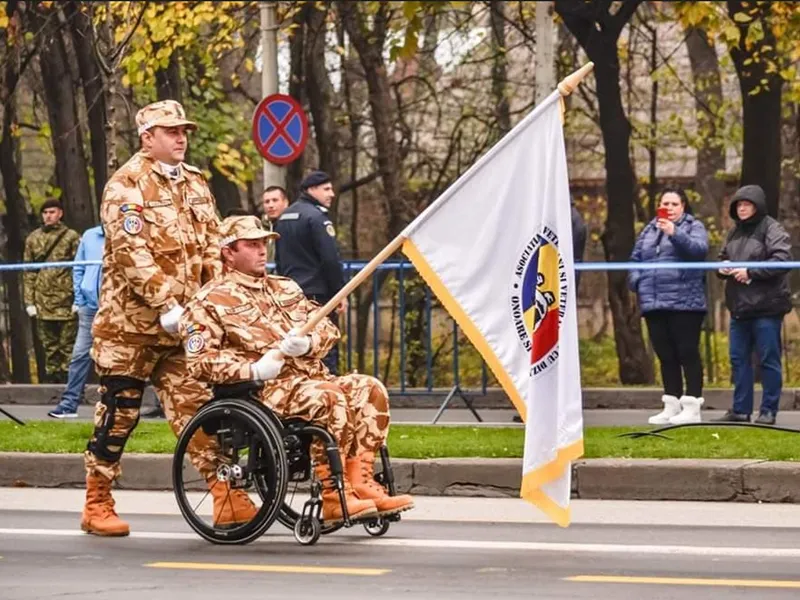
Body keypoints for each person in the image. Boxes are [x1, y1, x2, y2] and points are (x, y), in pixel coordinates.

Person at [180, 215, 414, 523]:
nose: (263, 251)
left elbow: (328, 328)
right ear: (228, 252)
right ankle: (334, 494)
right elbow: (199, 362)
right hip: (264, 390)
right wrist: (253, 369)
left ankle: (362, 480)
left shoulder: (285, 288)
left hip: (311, 378)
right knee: (329, 397)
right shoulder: (208, 301)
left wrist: (309, 344)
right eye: (252, 245)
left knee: (370, 388)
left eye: (264, 243)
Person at [81, 100, 223, 537]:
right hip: (131, 329)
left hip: (183, 328)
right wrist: (166, 304)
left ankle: (225, 494)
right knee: (120, 413)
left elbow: (214, 243)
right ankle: (97, 500)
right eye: (171, 131)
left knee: (199, 408)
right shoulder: (126, 185)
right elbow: (130, 253)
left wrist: (211, 300)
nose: (181, 138)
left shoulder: (196, 183)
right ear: (148, 137)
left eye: (183, 131)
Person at [628, 187, 709, 425]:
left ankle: (692, 405)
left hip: (685, 303)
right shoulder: (648, 230)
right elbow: (634, 260)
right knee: (666, 355)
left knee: (687, 352)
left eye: (675, 204)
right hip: (654, 302)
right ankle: (671, 404)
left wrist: (675, 233)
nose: (670, 208)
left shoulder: (694, 226)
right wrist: (637, 280)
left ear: (683, 206)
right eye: (666, 203)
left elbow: (699, 251)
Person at [715, 185, 792, 425]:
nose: (742, 208)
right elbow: (721, 256)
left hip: (767, 307)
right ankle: (740, 410)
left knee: (768, 359)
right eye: (738, 205)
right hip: (739, 308)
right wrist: (723, 267)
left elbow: (782, 260)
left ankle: (768, 410)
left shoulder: (772, 228)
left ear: (757, 206)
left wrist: (750, 272)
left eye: (747, 204)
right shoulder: (734, 232)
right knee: (738, 360)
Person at [275, 171, 347, 375]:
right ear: (311, 190)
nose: (331, 194)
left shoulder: (285, 216)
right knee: (324, 344)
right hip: (318, 295)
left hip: (291, 295)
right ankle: (328, 393)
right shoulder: (317, 217)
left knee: (297, 348)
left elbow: (279, 258)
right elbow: (330, 259)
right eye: (326, 189)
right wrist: (339, 292)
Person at [48, 225, 105, 419]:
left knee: (115, 358)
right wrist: (80, 300)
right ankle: (69, 403)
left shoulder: (127, 232)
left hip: (115, 308)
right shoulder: (89, 235)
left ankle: (113, 404)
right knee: (80, 354)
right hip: (89, 307)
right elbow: (79, 267)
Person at [24, 199, 81, 383]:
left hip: (66, 300)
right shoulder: (33, 238)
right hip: (42, 301)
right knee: (50, 347)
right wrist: (29, 302)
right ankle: (53, 384)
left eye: (52, 212)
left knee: (68, 346)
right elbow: (29, 271)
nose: (48, 216)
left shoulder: (71, 237)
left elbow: (78, 269)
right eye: (45, 212)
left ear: (60, 213)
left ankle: (70, 384)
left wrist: (78, 299)